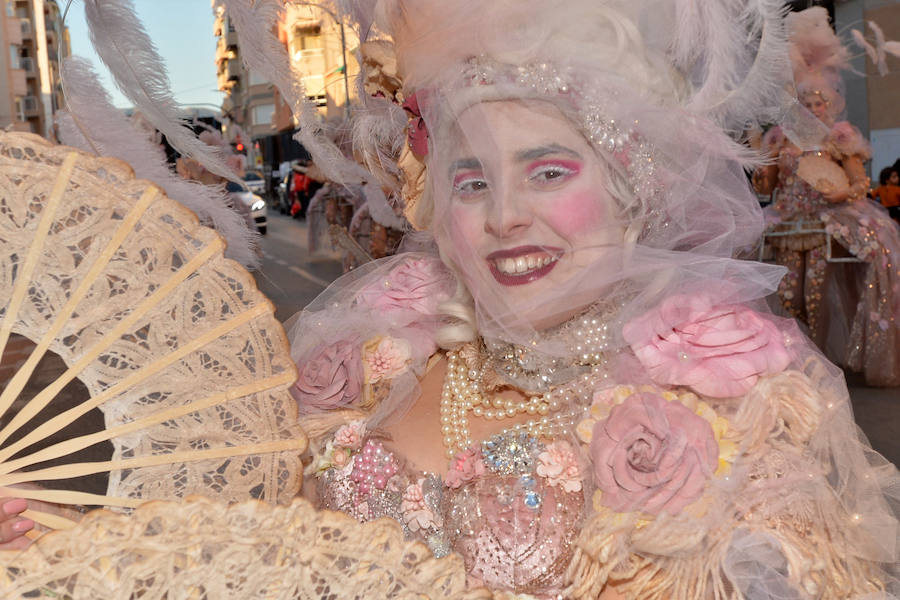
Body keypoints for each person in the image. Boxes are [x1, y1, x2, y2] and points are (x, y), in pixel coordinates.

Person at [280, 1, 899, 597]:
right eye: (470, 183)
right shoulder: (369, 377)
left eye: (548, 171)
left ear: (630, 192)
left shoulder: (738, 415)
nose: (505, 217)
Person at [753, 7, 900, 387]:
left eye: (820, 102)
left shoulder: (839, 138)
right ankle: (790, 362)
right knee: (788, 296)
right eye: (807, 102)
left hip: (823, 224)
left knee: (815, 297)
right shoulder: (780, 139)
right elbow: (765, 188)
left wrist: (841, 191)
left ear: (829, 104)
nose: (814, 108)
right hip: (787, 223)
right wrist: (761, 171)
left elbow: (858, 183)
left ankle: (814, 368)